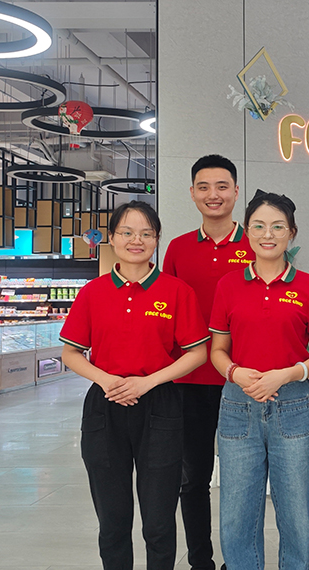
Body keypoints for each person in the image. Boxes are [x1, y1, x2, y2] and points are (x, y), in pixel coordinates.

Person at [60, 201, 210, 570]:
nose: (136, 240)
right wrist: (106, 379)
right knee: (112, 520)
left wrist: (147, 382)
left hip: (160, 405)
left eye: (146, 233)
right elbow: (71, 353)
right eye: (126, 232)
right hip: (104, 405)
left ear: (157, 239)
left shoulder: (176, 291)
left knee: (158, 520)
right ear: (111, 238)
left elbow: (198, 353)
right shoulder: (93, 292)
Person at [209, 191, 309, 570]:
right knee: (236, 513)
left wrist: (287, 373)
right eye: (259, 226)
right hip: (238, 406)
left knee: (295, 513)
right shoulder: (228, 285)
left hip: (293, 407)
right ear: (247, 232)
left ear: (291, 233)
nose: (268, 234)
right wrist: (235, 372)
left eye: (278, 227)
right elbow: (217, 351)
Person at [163, 154, 254, 570]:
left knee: (243, 481)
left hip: (244, 380)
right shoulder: (179, 248)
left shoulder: (256, 243)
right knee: (193, 478)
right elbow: (166, 311)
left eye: (221, 186)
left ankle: (240, 560)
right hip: (190, 380)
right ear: (192, 193)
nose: (213, 195)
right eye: (203, 187)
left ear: (236, 191)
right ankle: (201, 561)